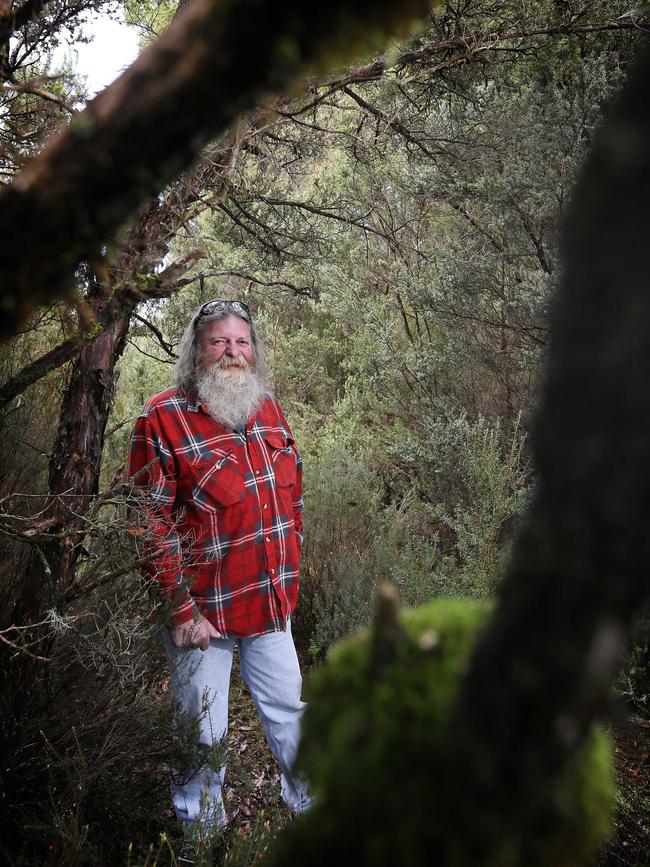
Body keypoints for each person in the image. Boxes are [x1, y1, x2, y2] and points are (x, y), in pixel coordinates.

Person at [127, 298, 310, 834]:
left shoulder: (267, 408)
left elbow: (292, 493)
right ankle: (200, 841)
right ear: (196, 350)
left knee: (292, 719)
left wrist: (291, 553)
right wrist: (180, 608)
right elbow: (146, 522)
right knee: (202, 737)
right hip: (201, 618)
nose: (233, 352)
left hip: (270, 606)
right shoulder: (161, 418)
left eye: (241, 342)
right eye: (219, 342)